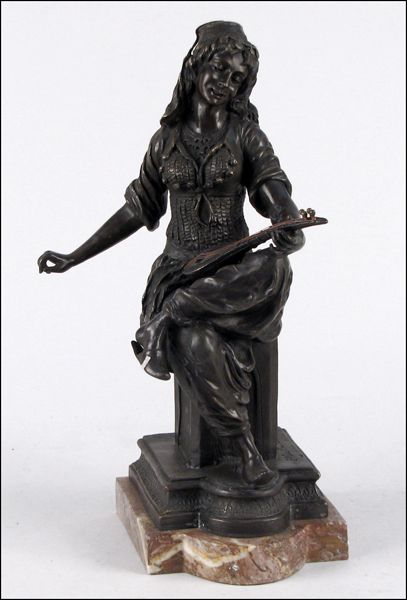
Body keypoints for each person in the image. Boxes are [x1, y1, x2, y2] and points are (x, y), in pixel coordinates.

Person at [38, 21, 305, 487]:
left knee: (275, 266)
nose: (225, 83)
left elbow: (271, 189)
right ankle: (243, 447)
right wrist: (74, 257)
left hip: (236, 272)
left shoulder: (246, 136)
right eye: (219, 69)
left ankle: (169, 315)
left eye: (237, 78)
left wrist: (288, 219)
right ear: (195, 66)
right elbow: (136, 208)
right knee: (196, 341)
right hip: (179, 271)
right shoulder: (165, 141)